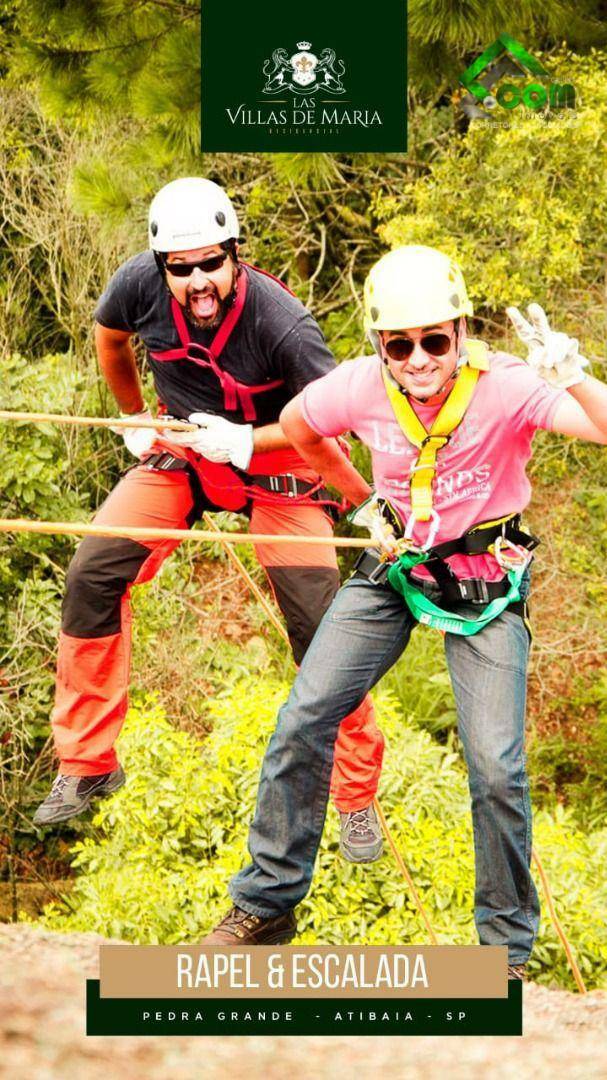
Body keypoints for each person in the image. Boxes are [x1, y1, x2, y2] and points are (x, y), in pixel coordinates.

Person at [202, 245, 607, 973]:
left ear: (459, 331)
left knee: (493, 768)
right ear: (378, 345)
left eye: (433, 340)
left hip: (484, 582)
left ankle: (505, 952)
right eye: (399, 344)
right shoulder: (358, 387)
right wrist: (358, 498)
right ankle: (265, 905)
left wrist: (575, 380)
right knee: (304, 715)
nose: (418, 359)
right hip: (396, 571)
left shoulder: (507, 387)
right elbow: (299, 429)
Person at [33, 177, 383, 848]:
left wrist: (264, 448)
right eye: (181, 268)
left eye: (210, 264)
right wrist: (135, 413)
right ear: (162, 266)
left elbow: (335, 419)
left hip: (281, 466)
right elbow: (110, 340)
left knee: (320, 629)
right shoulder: (138, 285)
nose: (196, 280)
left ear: (234, 256)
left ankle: (355, 794)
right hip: (188, 450)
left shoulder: (281, 323)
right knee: (91, 576)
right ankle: (86, 763)